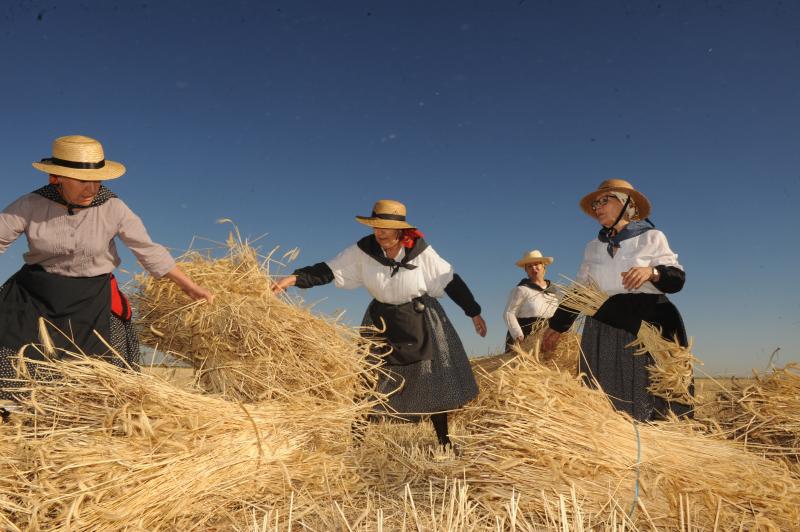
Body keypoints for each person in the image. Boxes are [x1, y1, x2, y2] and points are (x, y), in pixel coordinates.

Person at [0, 135, 212, 404]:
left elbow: (147, 249)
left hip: (92, 297)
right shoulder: (30, 204)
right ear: (57, 177)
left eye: (97, 180)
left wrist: (189, 286)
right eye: (82, 181)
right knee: (10, 340)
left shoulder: (113, 207)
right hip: (37, 293)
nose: (91, 188)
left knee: (102, 367)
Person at [272, 199, 486, 448]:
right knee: (367, 379)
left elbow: (449, 280)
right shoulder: (363, 251)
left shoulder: (422, 251)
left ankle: (443, 441)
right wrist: (295, 278)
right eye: (376, 226)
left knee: (431, 377)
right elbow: (330, 269)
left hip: (420, 318)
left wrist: (474, 312)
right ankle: (357, 441)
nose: (379, 232)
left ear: (400, 230)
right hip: (380, 321)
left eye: (385, 227)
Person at [542, 179, 691, 421]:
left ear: (626, 204)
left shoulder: (651, 237)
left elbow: (677, 280)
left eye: (604, 200)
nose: (597, 207)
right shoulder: (593, 247)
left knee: (646, 392)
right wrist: (556, 327)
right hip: (604, 326)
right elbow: (581, 291)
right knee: (604, 393)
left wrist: (653, 273)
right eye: (595, 204)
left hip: (645, 326)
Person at [503, 249, 558, 351]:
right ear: (526, 270)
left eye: (537, 264)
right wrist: (518, 335)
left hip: (547, 338)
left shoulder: (553, 292)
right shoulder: (521, 289)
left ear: (543, 266)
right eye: (529, 266)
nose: (534, 268)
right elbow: (508, 313)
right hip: (526, 337)